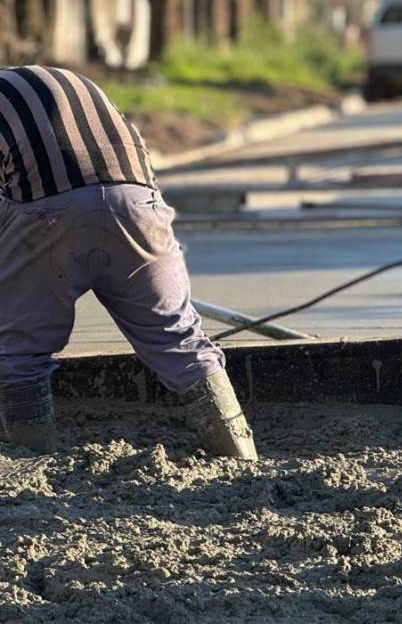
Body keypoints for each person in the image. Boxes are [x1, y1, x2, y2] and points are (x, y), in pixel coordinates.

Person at [0, 65, 257, 459]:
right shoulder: (65, 79)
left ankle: (29, 458)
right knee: (179, 338)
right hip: (140, 205)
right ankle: (239, 451)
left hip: (50, 214)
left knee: (20, 350)